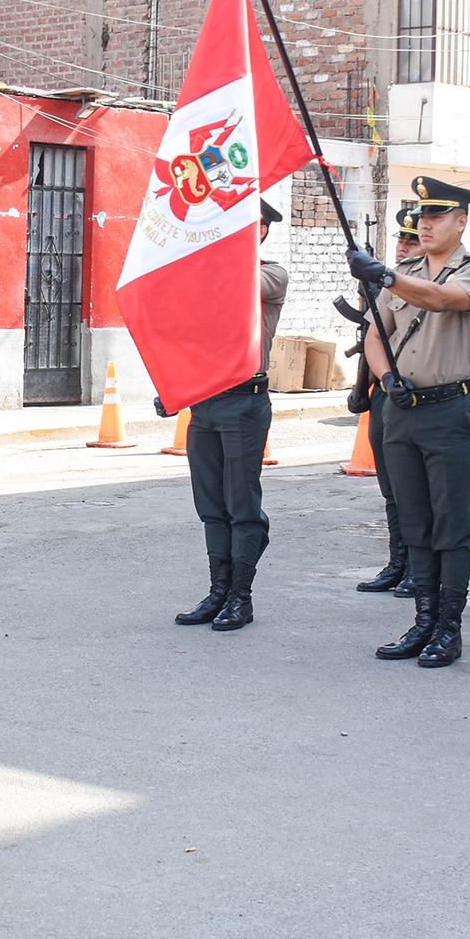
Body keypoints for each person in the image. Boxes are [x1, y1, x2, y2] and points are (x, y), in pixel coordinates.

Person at [348, 175, 470, 669]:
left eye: (437, 216)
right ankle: (422, 620)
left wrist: (385, 277)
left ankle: (448, 629)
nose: (425, 223)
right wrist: (388, 378)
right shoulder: (407, 269)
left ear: (461, 221)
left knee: (450, 523)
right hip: (402, 409)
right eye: (422, 216)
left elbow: (442, 300)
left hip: (449, 410)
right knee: (413, 519)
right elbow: (375, 334)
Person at [175, 199, 290, 631]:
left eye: (242, 224)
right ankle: (218, 591)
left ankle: (241, 596)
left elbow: (236, 282)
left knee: (242, 505)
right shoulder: (208, 272)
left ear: (260, 230)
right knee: (211, 505)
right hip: (204, 399)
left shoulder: (271, 274)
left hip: (244, 401)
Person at [355, 208, 422, 596]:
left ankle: (418, 564)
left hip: (417, 392)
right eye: (401, 239)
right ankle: (398, 561)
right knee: (389, 485)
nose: (403, 246)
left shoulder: (428, 284)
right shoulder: (385, 287)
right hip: (385, 390)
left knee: (412, 487)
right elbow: (370, 337)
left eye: (410, 240)